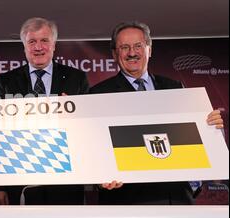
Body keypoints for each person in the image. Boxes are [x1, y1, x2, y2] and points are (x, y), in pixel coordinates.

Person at [90, 21, 224, 204]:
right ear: (115, 53)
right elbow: (92, 147)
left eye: (138, 46)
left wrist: (211, 127)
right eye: (124, 47)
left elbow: (190, 138)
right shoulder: (98, 94)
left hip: (176, 198)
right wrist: (100, 177)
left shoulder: (175, 88)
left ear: (149, 49)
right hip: (127, 201)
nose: (132, 53)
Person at [0, 17, 89, 205]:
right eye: (32, 41)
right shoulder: (7, 80)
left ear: (54, 45)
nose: (38, 47)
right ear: (24, 47)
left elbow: (90, 130)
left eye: (44, 40)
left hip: (66, 181)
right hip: (20, 180)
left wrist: (75, 115)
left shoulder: (76, 78)